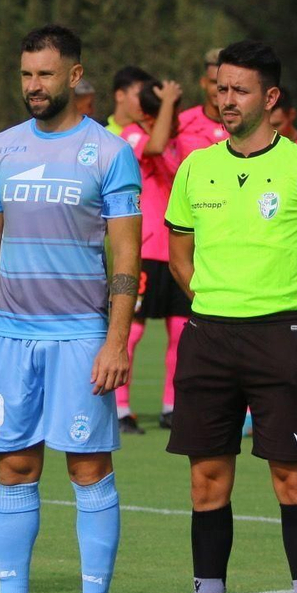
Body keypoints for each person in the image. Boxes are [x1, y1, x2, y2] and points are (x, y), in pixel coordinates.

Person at [150, 39, 297, 593]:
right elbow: (179, 253)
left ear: (269, 98)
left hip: (278, 338)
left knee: (292, 480)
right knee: (206, 481)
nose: (225, 99)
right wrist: (211, 299)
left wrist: (296, 304)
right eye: (220, 88)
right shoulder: (196, 167)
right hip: (209, 337)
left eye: (239, 90)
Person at [0, 25, 141, 593]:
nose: (34, 86)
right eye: (26, 74)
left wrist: (116, 340)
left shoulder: (109, 151)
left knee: (88, 468)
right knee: (14, 465)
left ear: (73, 75)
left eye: (45, 75)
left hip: (81, 334)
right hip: (11, 335)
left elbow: (126, 251)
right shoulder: (2, 148)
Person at [109, 67, 190, 434]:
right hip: (145, 249)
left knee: (180, 330)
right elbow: (154, 146)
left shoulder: (179, 144)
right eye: (164, 111)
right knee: (134, 330)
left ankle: (173, 407)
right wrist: (168, 104)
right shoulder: (132, 136)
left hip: (177, 251)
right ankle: (120, 408)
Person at [176, 48, 229, 154]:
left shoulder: (244, 124)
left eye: (225, 84)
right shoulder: (182, 122)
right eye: (214, 82)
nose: (219, 89)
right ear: (203, 82)